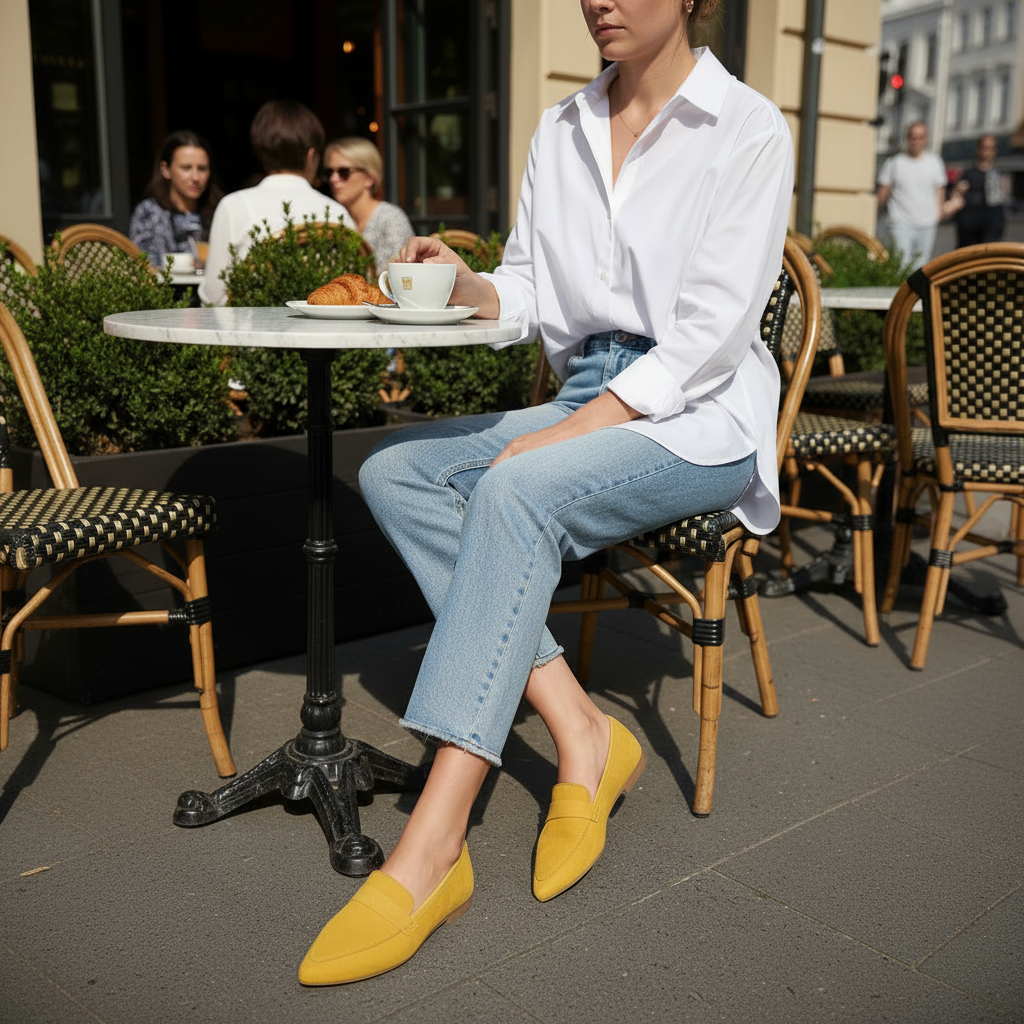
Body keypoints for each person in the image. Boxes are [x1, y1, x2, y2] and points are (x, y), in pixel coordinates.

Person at [298, 0, 793, 987]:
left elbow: (708, 339)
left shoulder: (747, 128)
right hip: (583, 389)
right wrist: (473, 283)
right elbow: (530, 289)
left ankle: (435, 842)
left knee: (516, 490)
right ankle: (582, 731)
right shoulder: (561, 128)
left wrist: (571, 433)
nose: (597, 0)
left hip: (699, 413)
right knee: (398, 472)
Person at [198, 100, 354, 306]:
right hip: (321, 334)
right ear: (311, 156)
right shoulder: (336, 213)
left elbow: (214, 296)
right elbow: (353, 288)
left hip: (251, 335)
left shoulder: (234, 206)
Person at [129, 131, 223, 269]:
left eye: (202, 169)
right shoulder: (150, 213)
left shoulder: (219, 211)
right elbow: (146, 265)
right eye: (186, 168)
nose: (195, 177)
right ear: (166, 169)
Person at [322, 137, 413, 269]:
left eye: (344, 172)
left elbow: (400, 276)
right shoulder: (334, 219)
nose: (333, 179)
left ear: (369, 179)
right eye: (329, 172)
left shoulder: (391, 219)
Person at [876, 121, 957, 269]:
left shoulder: (934, 162)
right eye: (912, 137)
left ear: (926, 139)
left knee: (921, 266)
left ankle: (915, 293)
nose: (916, 141)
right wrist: (875, 212)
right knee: (901, 264)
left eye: (920, 137)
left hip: (927, 223)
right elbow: (883, 192)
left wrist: (939, 212)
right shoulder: (894, 163)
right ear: (907, 138)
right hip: (900, 222)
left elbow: (939, 190)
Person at [953, 134, 1011, 248]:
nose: (986, 152)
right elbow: (957, 195)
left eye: (990, 148)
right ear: (978, 149)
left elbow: (1003, 200)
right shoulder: (967, 173)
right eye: (984, 147)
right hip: (969, 227)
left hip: (992, 226)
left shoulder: (999, 174)